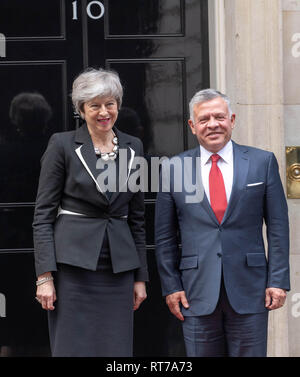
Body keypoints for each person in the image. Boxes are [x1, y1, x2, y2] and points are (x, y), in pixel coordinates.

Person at [155, 89, 290, 357]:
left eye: (219, 116)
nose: (213, 124)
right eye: (204, 119)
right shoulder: (173, 168)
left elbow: (278, 226)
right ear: (192, 126)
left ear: (232, 119)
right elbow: (164, 236)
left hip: (250, 289)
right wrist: (171, 286)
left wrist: (278, 280)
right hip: (195, 291)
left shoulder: (262, 162)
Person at [33, 67, 148, 357]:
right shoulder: (62, 145)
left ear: (118, 106)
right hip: (73, 268)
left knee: (116, 348)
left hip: (118, 269)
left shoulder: (134, 147)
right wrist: (44, 276)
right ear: (81, 109)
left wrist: (140, 277)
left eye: (110, 104)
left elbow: (137, 217)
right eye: (94, 105)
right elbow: (43, 215)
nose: (103, 112)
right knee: (73, 347)